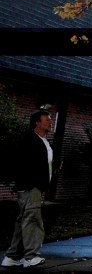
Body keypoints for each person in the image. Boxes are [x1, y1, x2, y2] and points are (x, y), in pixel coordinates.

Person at [2, 109, 53, 269]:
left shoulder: (44, 141)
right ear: (37, 123)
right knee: (32, 219)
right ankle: (31, 256)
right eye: (47, 120)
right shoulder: (30, 140)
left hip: (34, 187)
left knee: (22, 220)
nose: (50, 122)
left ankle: (11, 256)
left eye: (50, 119)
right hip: (30, 187)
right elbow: (25, 164)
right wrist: (36, 184)